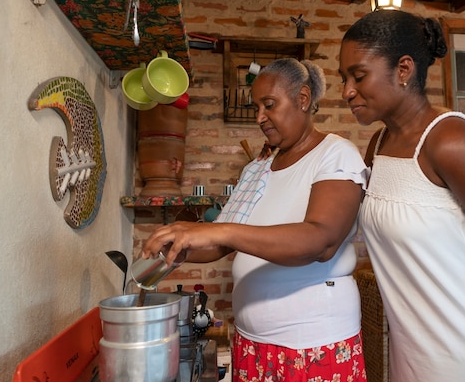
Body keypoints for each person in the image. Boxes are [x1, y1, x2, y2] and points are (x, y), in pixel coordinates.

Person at [338, 10, 465, 382]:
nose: (346, 91)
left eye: (358, 76)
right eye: (344, 78)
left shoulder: (451, 140)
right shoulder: (378, 145)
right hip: (414, 352)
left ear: (403, 70)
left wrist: (459, 264)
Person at [142, 58, 369, 382]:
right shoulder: (257, 169)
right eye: (257, 106)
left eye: (270, 105)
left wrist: (220, 231)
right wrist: (176, 245)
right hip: (252, 343)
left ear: (303, 99)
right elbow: (219, 243)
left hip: (312, 345)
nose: (260, 117)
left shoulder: (335, 154)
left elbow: (321, 241)